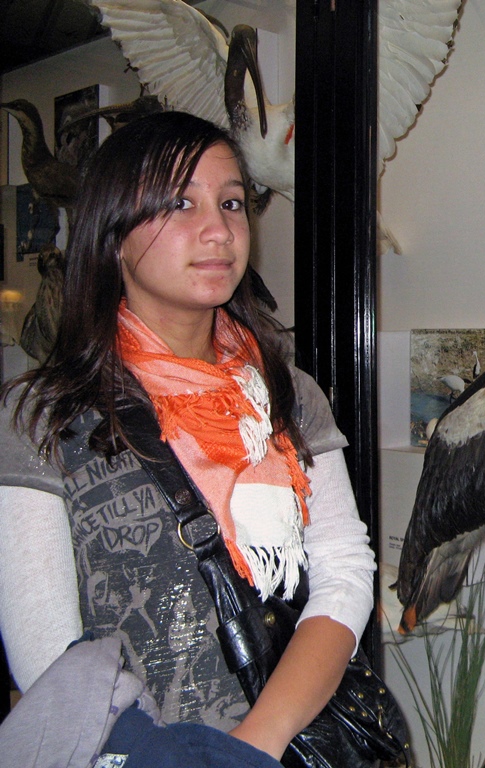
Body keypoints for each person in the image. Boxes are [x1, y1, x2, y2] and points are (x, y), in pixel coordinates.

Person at [0, 111, 376, 763]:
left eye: (231, 202)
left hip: (282, 746)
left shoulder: (287, 395)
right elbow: (50, 663)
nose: (218, 230)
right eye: (179, 202)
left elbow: (344, 569)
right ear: (112, 233)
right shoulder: (40, 415)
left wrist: (255, 744)